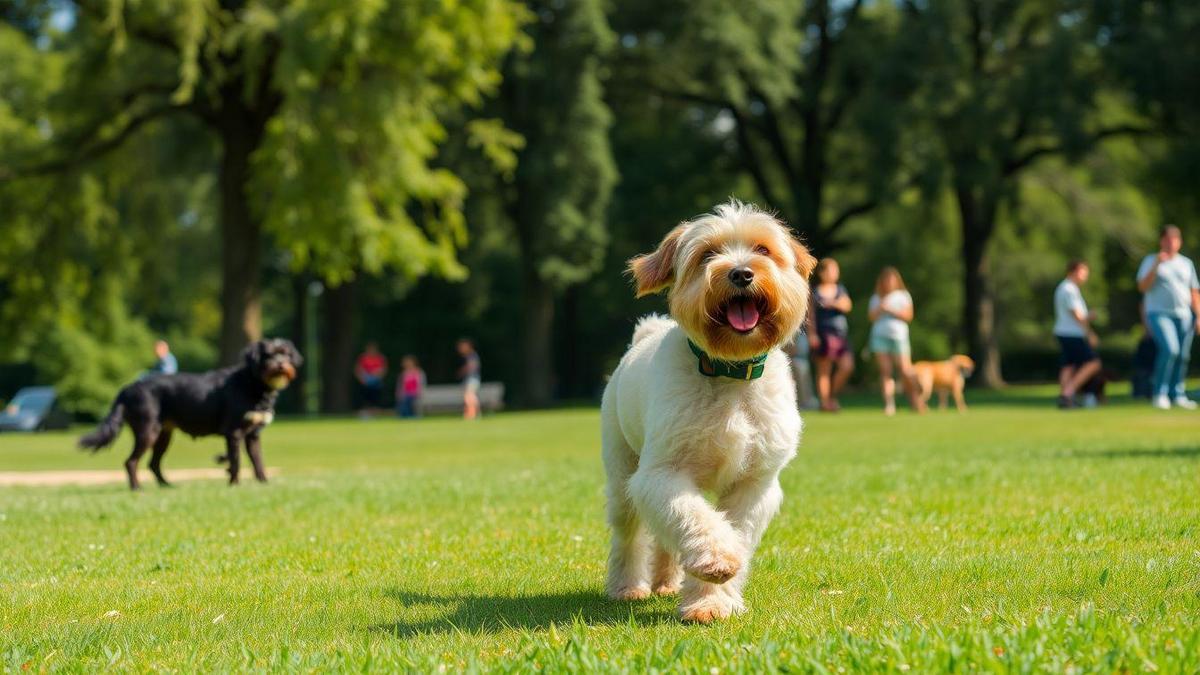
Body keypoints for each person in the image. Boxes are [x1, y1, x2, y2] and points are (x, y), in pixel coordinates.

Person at [1136, 224, 1200, 410]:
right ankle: (1160, 393)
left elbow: (1194, 291)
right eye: (1167, 240)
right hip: (1158, 313)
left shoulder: (1186, 263)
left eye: (1174, 240)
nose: (1171, 244)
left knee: (1182, 355)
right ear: (1161, 241)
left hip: (1184, 314)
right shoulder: (1150, 261)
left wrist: (1198, 315)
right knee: (1170, 349)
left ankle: (1177, 393)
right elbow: (1142, 287)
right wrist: (1157, 264)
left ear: (1179, 243)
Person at [868, 267, 925, 416]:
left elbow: (908, 316)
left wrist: (891, 310)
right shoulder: (876, 297)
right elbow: (872, 317)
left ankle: (917, 400)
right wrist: (880, 308)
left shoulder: (903, 296)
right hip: (880, 336)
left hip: (899, 336)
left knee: (905, 370)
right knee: (885, 371)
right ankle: (889, 404)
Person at [806, 258, 854, 412]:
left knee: (847, 366)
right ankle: (825, 403)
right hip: (823, 334)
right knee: (824, 370)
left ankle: (831, 396)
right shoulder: (814, 291)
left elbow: (847, 305)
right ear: (822, 272)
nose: (835, 273)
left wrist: (832, 303)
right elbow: (810, 316)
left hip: (840, 334)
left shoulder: (841, 289)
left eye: (836, 270)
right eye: (832, 270)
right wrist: (812, 335)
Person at [1053, 260, 1102, 409]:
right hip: (1071, 333)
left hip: (1064, 332)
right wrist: (1090, 318)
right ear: (1073, 271)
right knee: (1093, 363)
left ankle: (1065, 398)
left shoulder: (1065, 288)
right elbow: (1078, 316)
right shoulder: (1069, 289)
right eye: (1083, 271)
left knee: (1068, 365)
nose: (1085, 275)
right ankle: (1068, 392)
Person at [785, 329, 820, 410]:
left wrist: (812, 333)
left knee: (800, 365)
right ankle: (801, 401)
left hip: (799, 333)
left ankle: (805, 400)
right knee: (797, 365)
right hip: (792, 334)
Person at [354, 342, 389, 417]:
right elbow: (358, 369)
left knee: (376, 398)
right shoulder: (363, 358)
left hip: (376, 382)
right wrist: (362, 379)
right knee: (365, 398)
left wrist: (377, 375)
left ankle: (375, 413)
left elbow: (383, 370)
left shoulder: (380, 358)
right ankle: (366, 413)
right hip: (365, 382)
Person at [456, 338, 481, 420]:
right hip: (470, 379)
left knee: (469, 396)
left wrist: (462, 371)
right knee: (469, 396)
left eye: (462, 346)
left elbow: (472, 367)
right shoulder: (470, 356)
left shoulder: (472, 355)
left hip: (472, 379)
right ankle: (471, 413)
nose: (461, 349)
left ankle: (472, 413)